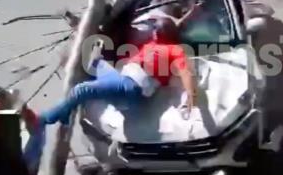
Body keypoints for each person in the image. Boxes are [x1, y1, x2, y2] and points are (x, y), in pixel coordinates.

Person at [39, 17, 196, 127]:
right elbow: (173, 25)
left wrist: (190, 94)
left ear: (163, 32)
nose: (153, 30)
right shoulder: (152, 43)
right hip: (124, 78)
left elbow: (185, 71)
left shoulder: (174, 49)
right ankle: (69, 109)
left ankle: (48, 118)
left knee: (81, 90)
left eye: (156, 28)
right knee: (94, 63)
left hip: (133, 87)